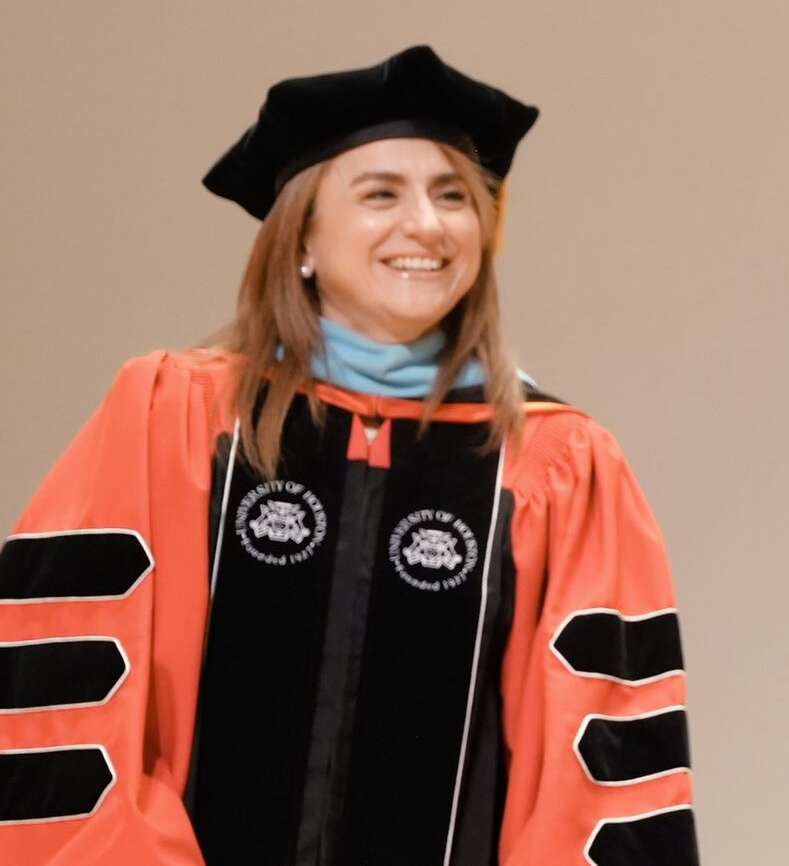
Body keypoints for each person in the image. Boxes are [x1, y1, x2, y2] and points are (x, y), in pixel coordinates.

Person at [0, 46, 697, 865]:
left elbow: (592, 782)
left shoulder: (555, 463)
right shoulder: (175, 417)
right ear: (302, 236)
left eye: (454, 197)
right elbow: (67, 712)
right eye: (381, 194)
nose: (427, 226)